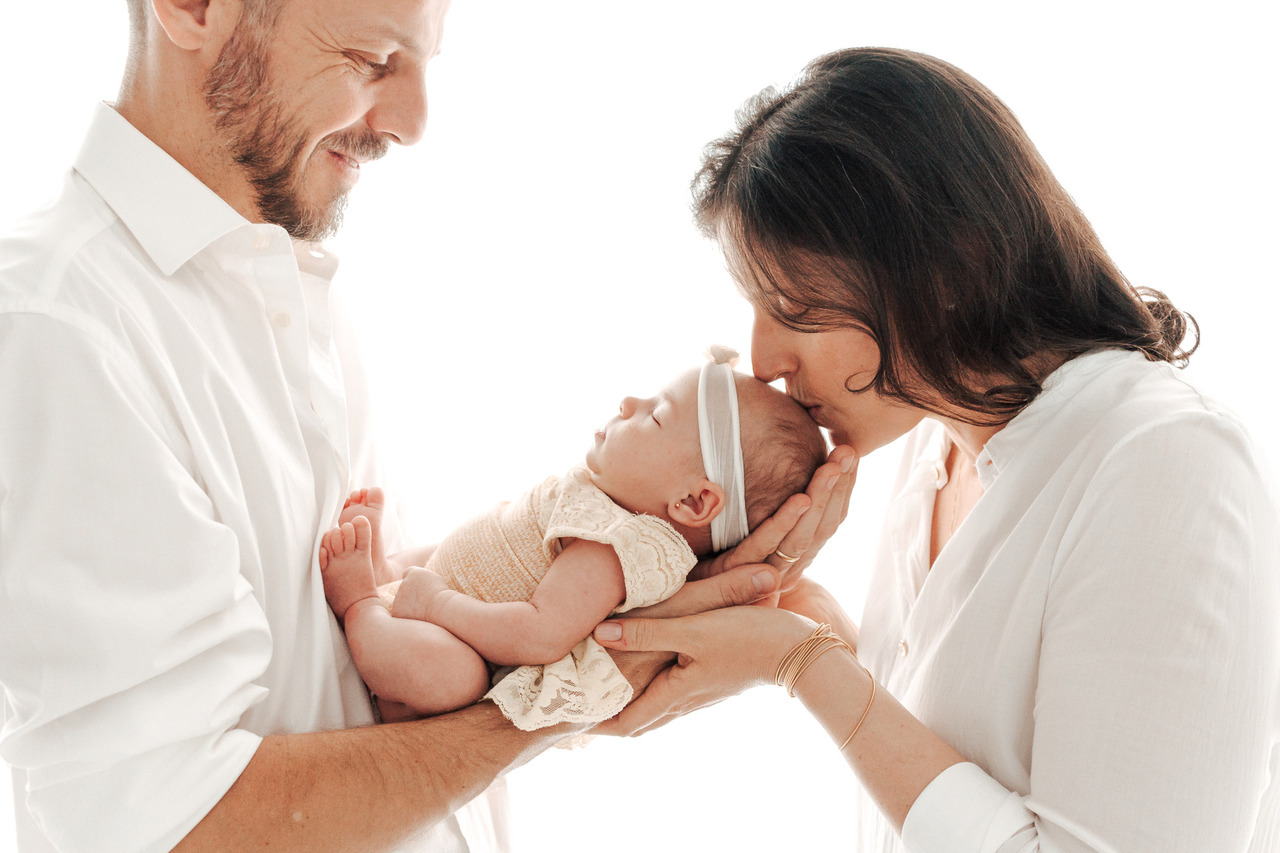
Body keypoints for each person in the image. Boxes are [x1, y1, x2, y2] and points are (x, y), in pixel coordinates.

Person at [0, 1, 858, 850]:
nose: (412, 123)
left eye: (423, 65)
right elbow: (175, 823)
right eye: (373, 58)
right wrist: (578, 689)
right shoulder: (58, 333)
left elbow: (390, 687)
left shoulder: (294, 296)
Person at [591, 47, 1280, 852]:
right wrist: (808, 626)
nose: (765, 360)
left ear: (957, 263)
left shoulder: (1165, 463)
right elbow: (953, 779)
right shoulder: (932, 452)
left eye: (797, 306)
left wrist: (808, 666)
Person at [320, 356, 827, 727]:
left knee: (455, 677)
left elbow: (540, 636)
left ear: (693, 503)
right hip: (437, 598)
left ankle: (362, 603)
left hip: (446, 639)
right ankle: (387, 574)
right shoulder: (603, 500)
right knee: (446, 551)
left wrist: (439, 603)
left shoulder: (616, 549)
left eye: (654, 416)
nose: (629, 402)